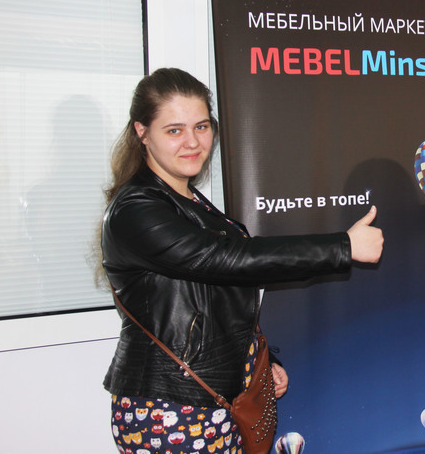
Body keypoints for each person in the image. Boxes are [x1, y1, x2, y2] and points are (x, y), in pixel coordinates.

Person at [101, 67, 383, 453]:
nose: (192, 142)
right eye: (174, 130)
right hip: (171, 407)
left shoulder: (188, 200)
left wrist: (256, 361)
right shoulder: (135, 209)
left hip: (215, 400)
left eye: (201, 127)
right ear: (142, 132)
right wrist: (342, 247)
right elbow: (223, 259)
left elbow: (212, 299)